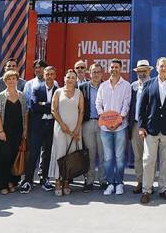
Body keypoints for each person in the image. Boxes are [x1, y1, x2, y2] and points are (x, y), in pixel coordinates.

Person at [138, 57, 166, 204]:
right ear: (156, 68)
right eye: (161, 66)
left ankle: (163, 189)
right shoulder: (149, 84)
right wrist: (141, 126)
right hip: (151, 129)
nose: (163, 68)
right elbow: (141, 106)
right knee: (148, 160)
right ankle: (146, 190)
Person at [96, 59, 132, 196]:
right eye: (112, 67)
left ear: (121, 69)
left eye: (116, 67)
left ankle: (119, 183)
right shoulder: (103, 86)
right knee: (108, 157)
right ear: (109, 69)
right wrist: (104, 119)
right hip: (105, 128)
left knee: (120, 157)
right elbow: (98, 103)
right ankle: (110, 183)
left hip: (120, 127)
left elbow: (126, 105)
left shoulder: (126, 85)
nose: (114, 69)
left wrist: (118, 120)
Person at [21, 65, 58, 193]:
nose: (49, 76)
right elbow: (34, 107)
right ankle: (28, 180)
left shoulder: (58, 90)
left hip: (51, 126)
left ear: (55, 76)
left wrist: (44, 105)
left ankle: (44, 178)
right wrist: (50, 106)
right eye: (47, 74)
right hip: (37, 126)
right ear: (44, 75)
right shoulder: (36, 88)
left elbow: (57, 109)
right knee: (33, 153)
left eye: (52, 74)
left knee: (47, 153)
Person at [0, 70, 28, 194]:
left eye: (13, 78)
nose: (11, 81)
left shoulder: (22, 96)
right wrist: (1, 131)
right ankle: (1, 185)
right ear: (5, 81)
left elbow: (25, 114)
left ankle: (12, 182)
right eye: (9, 79)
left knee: (14, 157)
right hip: (4, 132)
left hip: (17, 132)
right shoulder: (0, 96)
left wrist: (25, 130)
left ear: (17, 80)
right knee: (3, 158)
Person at [50, 69, 83, 197]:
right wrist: (62, 125)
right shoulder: (58, 92)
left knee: (70, 155)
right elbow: (53, 110)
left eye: (73, 78)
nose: (70, 79)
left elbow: (81, 111)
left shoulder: (79, 93)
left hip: (74, 130)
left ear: (76, 80)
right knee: (60, 154)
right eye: (68, 77)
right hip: (60, 128)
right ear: (64, 78)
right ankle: (57, 181)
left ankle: (66, 181)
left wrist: (77, 129)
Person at [78, 63, 106, 191]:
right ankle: (89, 180)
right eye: (93, 72)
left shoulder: (106, 86)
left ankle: (103, 180)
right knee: (89, 154)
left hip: (103, 123)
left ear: (102, 73)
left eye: (98, 72)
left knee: (102, 153)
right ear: (89, 73)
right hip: (88, 123)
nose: (96, 74)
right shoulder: (82, 87)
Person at [129, 59, 154, 194]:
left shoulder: (154, 84)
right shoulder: (132, 86)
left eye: (144, 71)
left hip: (150, 126)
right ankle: (140, 181)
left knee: (150, 156)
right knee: (138, 155)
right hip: (136, 125)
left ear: (149, 71)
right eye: (139, 71)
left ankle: (149, 183)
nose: (142, 74)